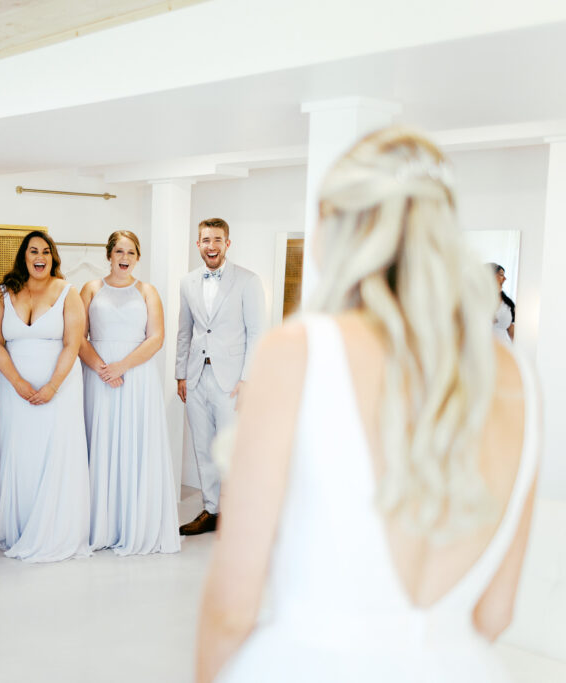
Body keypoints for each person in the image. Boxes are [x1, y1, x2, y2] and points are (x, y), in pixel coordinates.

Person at [196, 128, 539, 683]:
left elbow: (234, 603)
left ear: (337, 224)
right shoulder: (515, 376)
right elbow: (495, 613)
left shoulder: (300, 351)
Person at [0, 231, 91, 562]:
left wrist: (51, 386)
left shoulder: (68, 292)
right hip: (15, 389)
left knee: (54, 451)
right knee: (21, 452)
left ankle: (54, 530)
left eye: (45, 251)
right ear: (24, 256)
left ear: (53, 257)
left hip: (60, 388)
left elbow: (73, 344)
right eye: (33, 251)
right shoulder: (3, 294)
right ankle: (18, 526)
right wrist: (17, 382)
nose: (40, 256)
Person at [79, 230, 180, 555]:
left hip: (137, 378)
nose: (124, 258)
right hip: (98, 376)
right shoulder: (91, 289)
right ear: (109, 255)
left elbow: (156, 338)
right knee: (102, 443)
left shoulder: (147, 291)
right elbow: (78, 337)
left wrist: (121, 366)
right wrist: (101, 368)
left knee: (135, 444)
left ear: (138, 257)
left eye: (131, 253)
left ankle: (136, 523)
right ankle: (100, 526)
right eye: (119, 251)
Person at [175, 218, 265, 535]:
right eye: (205, 240)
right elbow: (184, 331)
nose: (211, 245)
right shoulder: (187, 282)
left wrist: (248, 379)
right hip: (196, 377)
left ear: (227, 243)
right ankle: (212, 511)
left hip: (232, 381)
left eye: (217, 239)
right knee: (203, 448)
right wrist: (180, 374)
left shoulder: (248, 280)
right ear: (197, 244)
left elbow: (257, 333)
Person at [490, 263, 515, 344]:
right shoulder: (477, 299)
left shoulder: (507, 303)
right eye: (501, 275)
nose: (504, 278)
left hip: (504, 348)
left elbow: (510, 328)